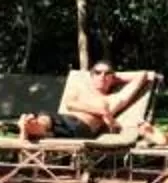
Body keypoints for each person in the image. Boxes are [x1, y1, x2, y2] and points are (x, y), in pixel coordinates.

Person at [22, 60, 159, 141]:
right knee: (46, 118)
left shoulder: (113, 99)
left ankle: (28, 126)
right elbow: (69, 103)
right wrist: (100, 111)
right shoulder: (81, 90)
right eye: (98, 73)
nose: (102, 76)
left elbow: (143, 75)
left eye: (107, 74)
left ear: (112, 78)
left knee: (47, 120)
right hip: (64, 121)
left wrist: (115, 77)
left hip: (82, 128)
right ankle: (33, 127)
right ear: (91, 76)